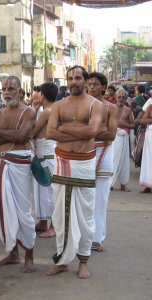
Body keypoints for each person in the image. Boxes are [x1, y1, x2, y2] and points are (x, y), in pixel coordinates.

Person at [45, 65, 104, 279]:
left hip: (84, 164)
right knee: (60, 216)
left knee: (85, 217)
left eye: (78, 78)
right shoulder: (59, 106)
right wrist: (80, 134)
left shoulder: (95, 105)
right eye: (70, 78)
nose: (73, 82)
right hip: (62, 162)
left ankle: (83, 262)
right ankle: (62, 261)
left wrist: (64, 130)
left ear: (85, 81)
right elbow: (50, 132)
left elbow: (92, 131)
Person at [0, 76, 37, 273]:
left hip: (20, 163)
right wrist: (3, 133)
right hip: (1, 163)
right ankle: (13, 253)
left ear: (20, 92)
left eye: (11, 88)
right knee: (5, 209)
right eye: (4, 88)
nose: (7, 92)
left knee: (22, 210)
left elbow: (23, 136)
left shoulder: (29, 112)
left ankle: (29, 255)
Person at [87, 72, 118, 252]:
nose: (91, 87)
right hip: (84, 151)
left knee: (100, 198)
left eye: (96, 84)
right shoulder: (83, 105)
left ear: (104, 87)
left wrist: (87, 132)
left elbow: (111, 134)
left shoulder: (110, 108)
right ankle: (84, 236)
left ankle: (97, 238)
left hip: (104, 151)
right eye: (89, 84)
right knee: (84, 197)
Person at [30, 82, 58, 238]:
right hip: (46, 152)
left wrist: (33, 111)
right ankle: (42, 222)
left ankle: (53, 226)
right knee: (43, 190)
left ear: (43, 95)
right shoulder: (54, 109)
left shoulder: (46, 112)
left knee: (49, 191)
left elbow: (34, 131)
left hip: (46, 152)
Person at [112, 88, 134, 192]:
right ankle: (110, 183)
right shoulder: (111, 108)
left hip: (124, 137)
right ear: (116, 98)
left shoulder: (128, 110)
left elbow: (133, 125)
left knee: (124, 161)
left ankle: (123, 184)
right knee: (112, 160)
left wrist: (126, 125)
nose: (121, 99)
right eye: (119, 97)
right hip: (112, 138)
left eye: (123, 97)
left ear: (126, 99)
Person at [139, 104, 152, 193]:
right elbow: (143, 121)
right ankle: (148, 184)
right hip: (150, 135)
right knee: (149, 159)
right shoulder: (150, 107)